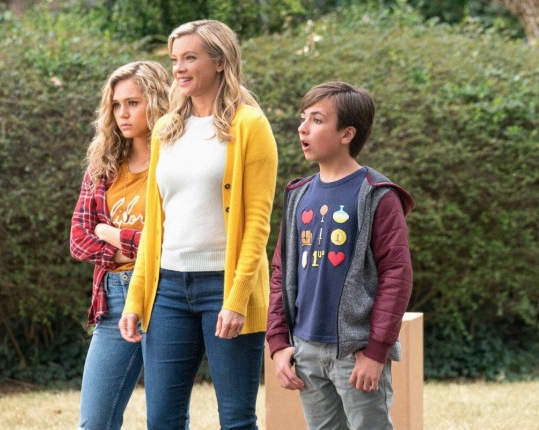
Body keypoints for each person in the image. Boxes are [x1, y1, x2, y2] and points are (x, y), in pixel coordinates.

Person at [119, 19, 278, 430]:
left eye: (190, 58)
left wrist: (237, 298)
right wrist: (137, 297)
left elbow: (257, 223)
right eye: (175, 59)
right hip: (168, 290)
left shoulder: (250, 125)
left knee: (237, 420)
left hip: (224, 285)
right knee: (162, 420)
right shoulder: (166, 129)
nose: (179, 68)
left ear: (220, 61)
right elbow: (155, 223)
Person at [266, 81, 415, 430]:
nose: (303, 128)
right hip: (305, 349)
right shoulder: (298, 194)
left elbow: (397, 275)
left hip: (356, 352)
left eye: (317, 120)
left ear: (347, 133)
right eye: (303, 118)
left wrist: (376, 351)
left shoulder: (377, 195)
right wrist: (278, 342)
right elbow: (281, 272)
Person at [69, 60, 170, 430]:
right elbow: (79, 240)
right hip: (113, 298)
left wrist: (111, 233)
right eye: (116, 105)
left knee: (167, 420)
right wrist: (137, 247)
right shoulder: (104, 166)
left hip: (166, 295)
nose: (123, 113)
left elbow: (173, 242)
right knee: (94, 422)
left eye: (133, 103)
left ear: (156, 102)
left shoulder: (175, 163)